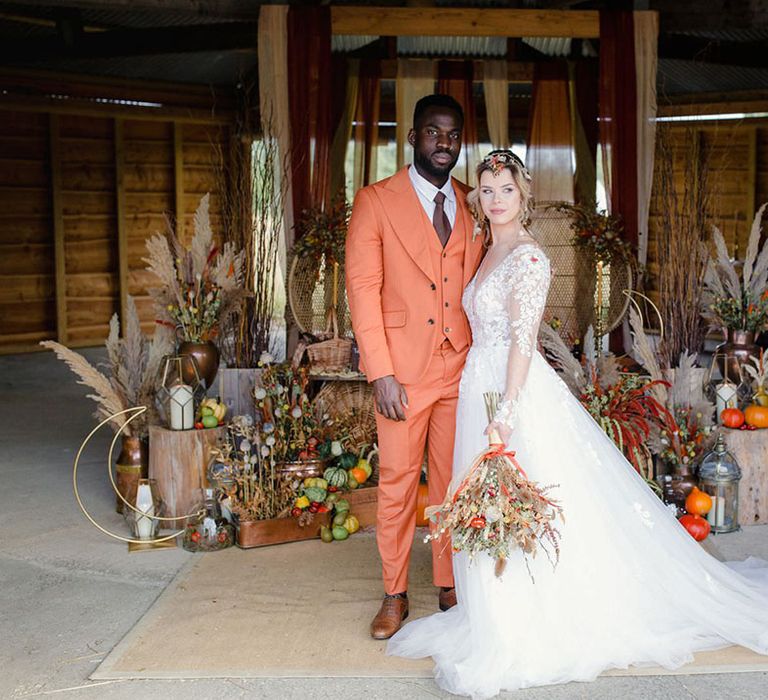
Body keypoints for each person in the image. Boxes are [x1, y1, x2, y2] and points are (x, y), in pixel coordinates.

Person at [387, 150, 768, 698]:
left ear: (524, 197)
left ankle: (524, 617)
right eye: (487, 189)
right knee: (492, 501)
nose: (495, 200)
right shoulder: (485, 250)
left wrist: (507, 416)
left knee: (527, 497)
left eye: (507, 190)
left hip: (509, 393)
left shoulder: (529, 259)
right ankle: (491, 608)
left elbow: (522, 343)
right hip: (476, 387)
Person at [345, 94, 485, 640]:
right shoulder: (376, 201)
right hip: (402, 372)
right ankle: (394, 592)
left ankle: (449, 584)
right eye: (433, 132)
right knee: (399, 483)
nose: (443, 143)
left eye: (452, 135)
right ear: (412, 137)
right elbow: (362, 289)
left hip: (462, 366)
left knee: (452, 482)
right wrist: (379, 371)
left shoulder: (475, 203)